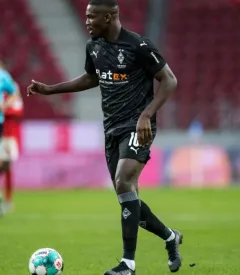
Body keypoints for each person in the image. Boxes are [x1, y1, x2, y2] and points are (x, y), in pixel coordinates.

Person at [27, 0, 181, 274]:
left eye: (91, 17)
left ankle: (128, 264)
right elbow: (91, 78)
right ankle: (170, 237)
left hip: (137, 126)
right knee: (128, 198)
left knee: (124, 182)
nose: (86, 22)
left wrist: (146, 115)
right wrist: (50, 90)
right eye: (86, 17)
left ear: (109, 17)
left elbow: (169, 80)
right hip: (111, 129)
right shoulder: (94, 46)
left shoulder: (138, 46)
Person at [0, 63, 19, 216]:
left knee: (5, 164)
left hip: (5, 128)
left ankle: (6, 199)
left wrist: (4, 106)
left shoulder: (4, 77)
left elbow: (15, 96)